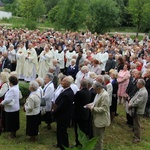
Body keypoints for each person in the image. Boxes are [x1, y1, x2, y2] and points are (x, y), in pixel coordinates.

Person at [86, 82, 110, 150]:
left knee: (98, 139)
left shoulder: (105, 95)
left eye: (95, 89)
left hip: (101, 120)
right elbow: (95, 102)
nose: (94, 91)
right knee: (95, 137)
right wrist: (90, 104)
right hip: (96, 118)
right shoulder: (98, 94)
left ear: (99, 88)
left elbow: (104, 109)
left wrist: (92, 108)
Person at [52, 76, 74, 150]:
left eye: (63, 81)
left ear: (67, 84)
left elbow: (61, 106)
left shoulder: (67, 94)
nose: (61, 82)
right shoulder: (65, 91)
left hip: (63, 115)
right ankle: (59, 143)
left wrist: (54, 112)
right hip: (61, 115)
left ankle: (64, 146)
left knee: (63, 131)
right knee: (59, 130)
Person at [128, 79, 148, 143]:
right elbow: (134, 97)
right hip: (136, 110)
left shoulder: (143, 92)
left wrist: (131, 105)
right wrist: (130, 102)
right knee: (135, 123)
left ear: (140, 84)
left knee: (137, 124)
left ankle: (137, 138)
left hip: (138, 110)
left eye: (137, 84)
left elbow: (138, 102)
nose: (136, 85)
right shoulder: (140, 90)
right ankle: (135, 135)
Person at [73, 79, 91, 146]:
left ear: (81, 85)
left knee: (78, 129)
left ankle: (78, 142)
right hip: (85, 112)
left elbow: (74, 99)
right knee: (84, 128)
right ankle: (83, 141)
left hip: (78, 113)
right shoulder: (88, 91)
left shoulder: (79, 93)